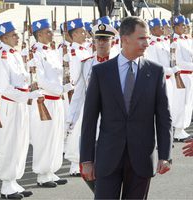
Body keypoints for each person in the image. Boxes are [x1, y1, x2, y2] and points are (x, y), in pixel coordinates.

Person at [80, 16, 172, 199]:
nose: (147, 43)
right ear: (125, 39)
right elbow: (89, 119)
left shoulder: (155, 72)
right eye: (142, 38)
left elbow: (164, 118)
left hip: (141, 159)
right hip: (108, 157)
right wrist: (87, 159)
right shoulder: (101, 72)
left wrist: (165, 155)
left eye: (147, 38)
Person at [0, 21, 41, 199]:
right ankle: (6, 184)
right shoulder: (0, 56)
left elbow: (21, 80)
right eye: (13, 35)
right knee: (9, 143)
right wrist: (29, 96)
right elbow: (5, 88)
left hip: (20, 103)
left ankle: (14, 181)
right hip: (9, 105)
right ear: (4, 37)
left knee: (21, 143)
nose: (18, 37)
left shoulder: (15, 54)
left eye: (17, 34)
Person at [65, 22, 118, 178]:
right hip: (91, 115)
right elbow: (79, 94)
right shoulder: (86, 64)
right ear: (93, 41)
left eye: (105, 39)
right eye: (98, 39)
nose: (101, 43)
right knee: (90, 159)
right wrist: (71, 119)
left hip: (113, 117)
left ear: (113, 42)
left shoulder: (120, 63)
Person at [29, 19, 72, 187]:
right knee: (44, 137)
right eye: (47, 32)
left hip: (57, 100)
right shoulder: (36, 53)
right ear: (39, 34)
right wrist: (60, 89)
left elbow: (59, 72)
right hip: (45, 100)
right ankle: (42, 174)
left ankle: (52, 170)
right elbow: (40, 79)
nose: (51, 34)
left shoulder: (53, 51)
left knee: (57, 136)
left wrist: (67, 81)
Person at [64, 18, 90, 176]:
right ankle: (74, 164)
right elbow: (74, 77)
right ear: (73, 35)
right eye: (81, 32)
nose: (84, 34)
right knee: (77, 129)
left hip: (88, 92)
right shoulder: (73, 52)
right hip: (80, 93)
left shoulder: (84, 49)